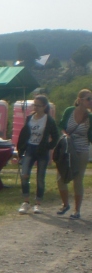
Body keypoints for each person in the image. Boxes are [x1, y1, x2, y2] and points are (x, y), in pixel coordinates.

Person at [16, 94, 59, 215]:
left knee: (40, 177)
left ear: (44, 106)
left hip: (42, 151)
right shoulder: (29, 118)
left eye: (38, 105)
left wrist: (48, 146)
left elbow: (55, 137)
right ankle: (26, 201)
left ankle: (38, 204)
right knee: (24, 175)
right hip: (30, 148)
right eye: (34, 105)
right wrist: (21, 149)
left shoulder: (49, 120)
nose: (35, 107)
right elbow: (24, 134)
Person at [56, 89, 92, 219]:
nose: (91, 101)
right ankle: (65, 204)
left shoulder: (90, 117)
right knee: (61, 178)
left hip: (82, 149)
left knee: (78, 179)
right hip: (67, 148)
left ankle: (77, 210)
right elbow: (61, 126)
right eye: (89, 99)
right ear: (80, 100)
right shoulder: (69, 111)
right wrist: (65, 135)